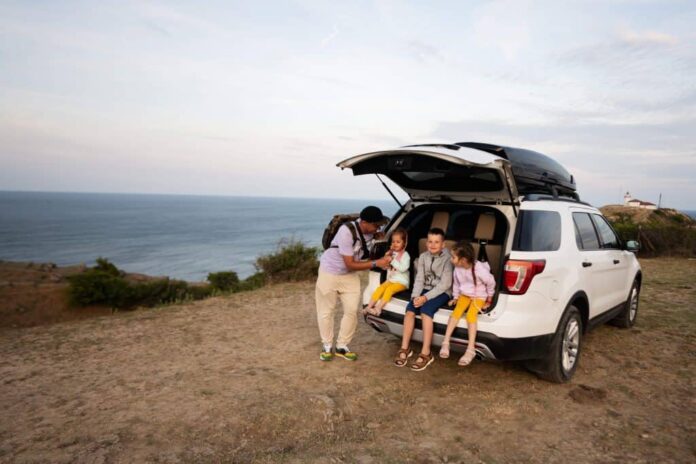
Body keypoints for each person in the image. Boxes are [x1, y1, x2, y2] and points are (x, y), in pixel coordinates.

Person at [316, 206, 391, 362]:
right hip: (329, 272)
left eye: (380, 225)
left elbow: (366, 254)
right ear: (364, 222)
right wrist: (377, 263)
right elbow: (350, 263)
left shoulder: (372, 233)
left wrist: (380, 241)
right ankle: (327, 345)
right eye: (376, 225)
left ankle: (342, 346)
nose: (378, 228)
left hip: (349, 276)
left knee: (351, 311)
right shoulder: (346, 231)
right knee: (326, 311)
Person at [394, 227, 453, 371]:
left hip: (442, 292)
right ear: (426, 243)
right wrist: (415, 297)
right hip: (424, 290)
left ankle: (426, 353)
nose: (433, 245)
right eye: (430, 242)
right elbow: (419, 279)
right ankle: (405, 348)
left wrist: (425, 298)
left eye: (437, 242)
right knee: (409, 311)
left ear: (443, 245)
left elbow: (445, 284)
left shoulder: (448, 259)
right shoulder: (423, 257)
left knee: (426, 312)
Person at [439, 241, 496, 366]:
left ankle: (470, 349)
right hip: (464, 295)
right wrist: (455, 297)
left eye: (453, 257)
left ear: (463, 260)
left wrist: (489, 300)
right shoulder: (458, 268)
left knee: (471, 316)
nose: (451, 259)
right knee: (456, 313)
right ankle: (446, 342)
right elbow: (457, 284)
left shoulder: (479, 270)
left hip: (479, 296)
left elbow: (491, 282)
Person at [365, 228, 410, 316]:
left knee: (389, 290)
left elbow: (403, 268)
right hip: (391, 280)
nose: (395, 244)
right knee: (380, 288)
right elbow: (386, 268)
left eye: (398, 242)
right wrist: (386, 259)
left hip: (402, 282)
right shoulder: (391, 253)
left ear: (404, 243)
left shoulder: (405, 255)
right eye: (393, 242)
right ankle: (369, 306)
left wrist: (392, 260)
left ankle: (378, 308)